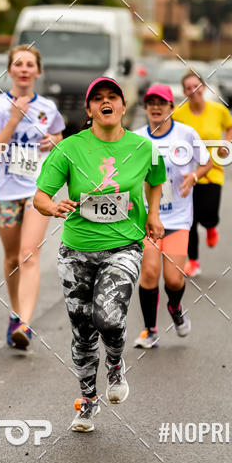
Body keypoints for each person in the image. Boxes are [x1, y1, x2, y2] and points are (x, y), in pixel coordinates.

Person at [33, 78, 167, 432]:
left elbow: (156, 180)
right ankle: (88, 401)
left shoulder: (144, 148)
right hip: (76, 251)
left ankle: (116, 363)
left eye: (112, 97)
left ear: (123, 106)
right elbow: (40, 196)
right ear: (89, 109)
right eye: (98, 99)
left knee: (108, 318)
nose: (105, 102)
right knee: (82, 332)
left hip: (124, 246)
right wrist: (52, 206)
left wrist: (153, 214)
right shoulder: (69, 149)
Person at [0, 45, 65, 350]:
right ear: (10, 70)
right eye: (18, 64)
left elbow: (60, 136)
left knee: (29, 254)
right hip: (4, 192)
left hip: (36, 190)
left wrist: (54, 140)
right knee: (13, 257)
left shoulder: (48, 108)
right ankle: (15, 313)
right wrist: (14, 120)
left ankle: (25, 325)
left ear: (38, 71)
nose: (24, 69)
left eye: (30, 64)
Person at [132, 84, 212, 348]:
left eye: (161, 103)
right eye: (151, 103)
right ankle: (149, 330)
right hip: (147, 219)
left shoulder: (186, 134)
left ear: (171, 107)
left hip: (178, 219)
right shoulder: (136, 138)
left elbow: (207, 161)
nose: (156, 107)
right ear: (146, 107)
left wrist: (194, 176)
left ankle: (175, 309)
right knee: (149, 273)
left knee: (174, 279)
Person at [172, 71, 232, 278]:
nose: (193, 91)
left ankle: (211, 227)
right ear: (184, 92)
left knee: (209, 214)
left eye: (196, 86)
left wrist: (226, 144)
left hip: (213, 171)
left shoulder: (218, 110)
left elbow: (231, 127)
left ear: (204, 87)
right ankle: (194, 262)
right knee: (190, 220)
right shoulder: (178, 114)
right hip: (187, 174)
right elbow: (170, 134)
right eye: (188, 88)